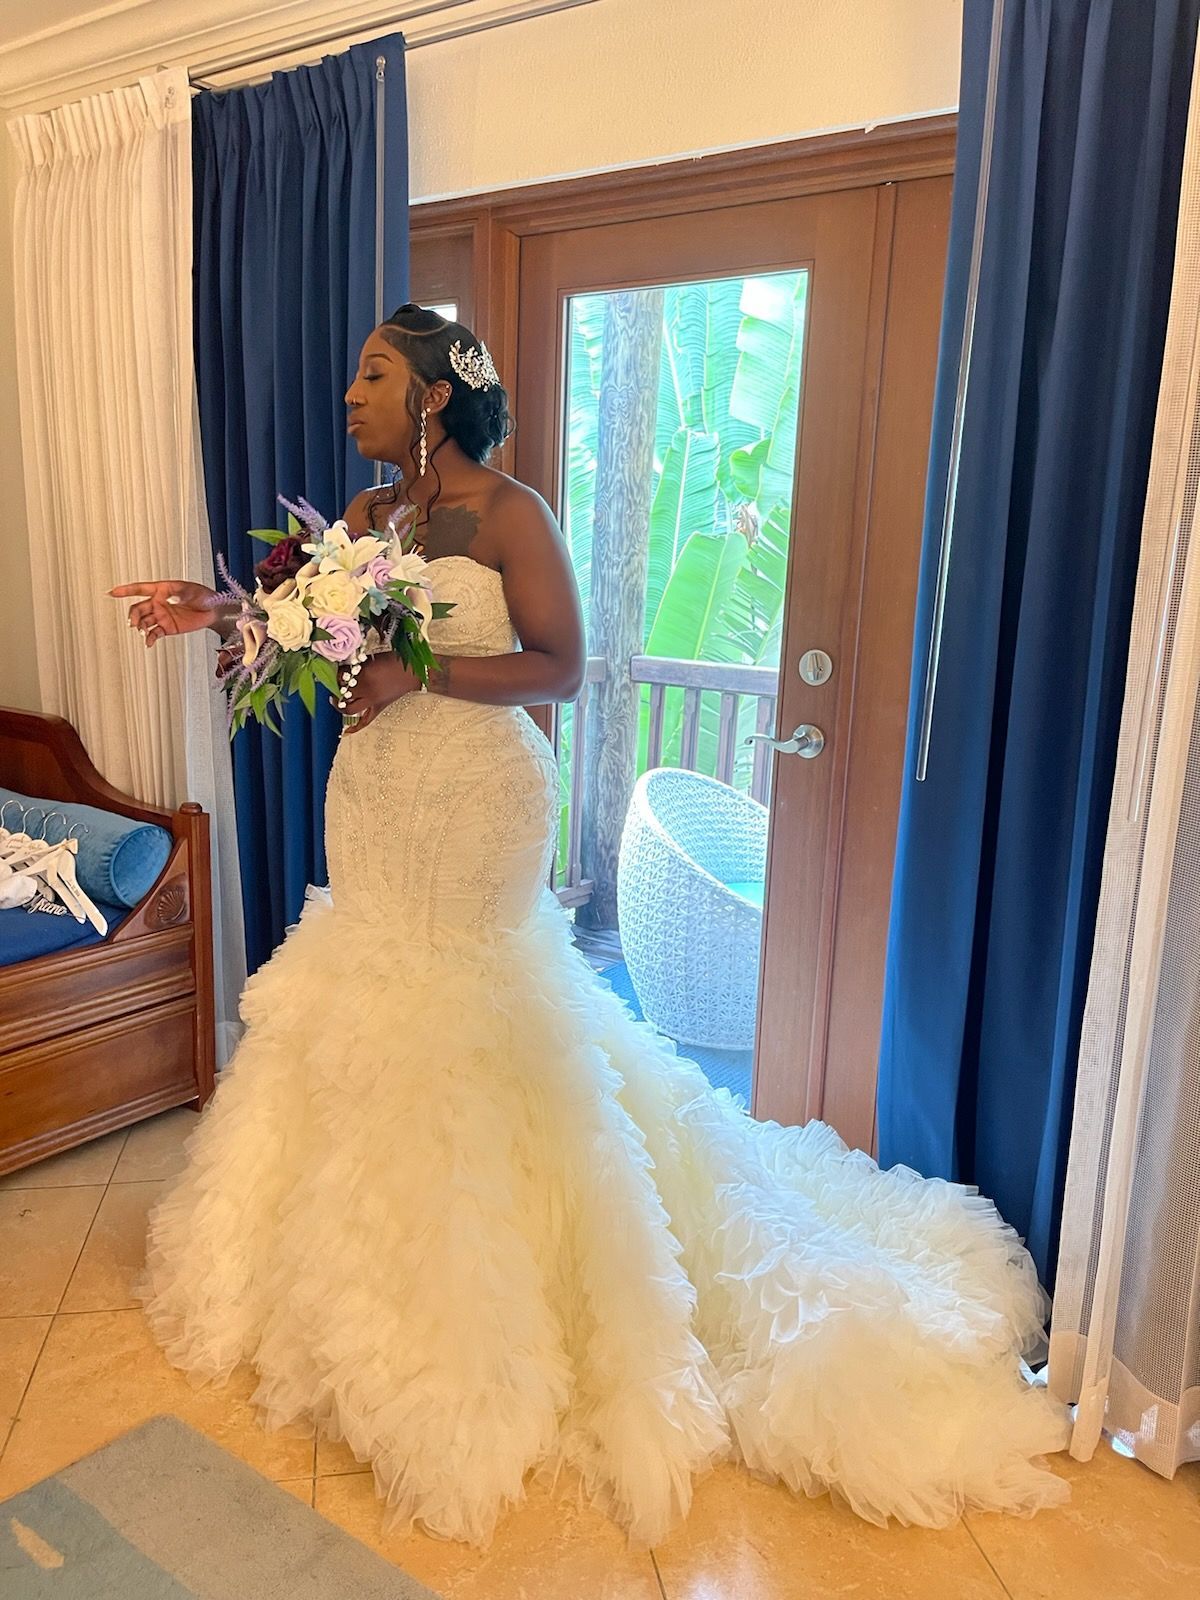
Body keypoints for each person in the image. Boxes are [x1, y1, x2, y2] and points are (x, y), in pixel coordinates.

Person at [113, 303, 1069, 1548]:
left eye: (374, 374)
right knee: (365, 999)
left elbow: (563, 665)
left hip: (477, 794)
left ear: (437, 395)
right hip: (376, 795)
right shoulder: (357, 525)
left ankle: (487, 1309)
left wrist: (425, 673)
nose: (349, 394)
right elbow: (320, 634)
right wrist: (223, 610)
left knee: (466, 1009)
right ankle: (336, 1278)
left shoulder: (512, 512)